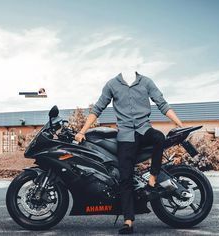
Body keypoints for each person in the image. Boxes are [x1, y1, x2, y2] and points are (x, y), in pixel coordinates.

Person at [75, 68, 183, 234]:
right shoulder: (111, 84)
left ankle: (152, 179)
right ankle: (128, 222)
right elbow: (98, 108)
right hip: (125, 136)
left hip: (144, 130)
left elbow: (162, 103)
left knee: (159, 137)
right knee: (125, 179)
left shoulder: (146, 81)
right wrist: (82, 131)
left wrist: (179, 124)